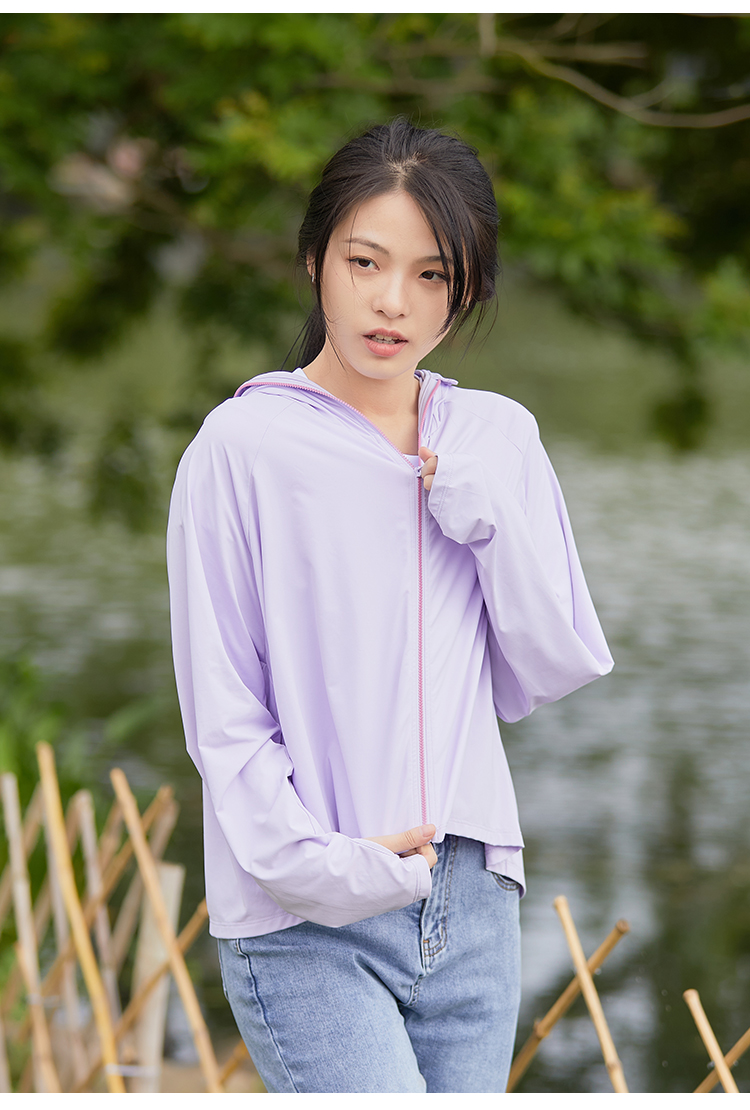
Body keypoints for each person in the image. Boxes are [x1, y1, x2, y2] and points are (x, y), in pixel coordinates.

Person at [166, 119, 614, 1094]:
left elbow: (550, 664)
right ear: (315, 258)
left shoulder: (497, 437)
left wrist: (487, 523)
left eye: (431, 275)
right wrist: (320, 866)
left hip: (473, 902)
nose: (391, 302)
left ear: (466, 289)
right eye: (365, 262)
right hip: (306, 913)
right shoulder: (242, 448)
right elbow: (223, 713)